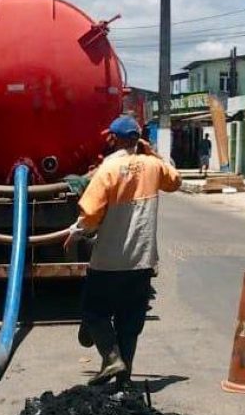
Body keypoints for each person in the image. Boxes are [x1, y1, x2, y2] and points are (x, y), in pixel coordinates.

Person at [65, 115, 181, 386]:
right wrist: (153, 154)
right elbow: (175, 181)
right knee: (129, 323)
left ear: (114, 139)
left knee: (94, 312)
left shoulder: (107, 169)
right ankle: (123, 382)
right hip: (142, 262)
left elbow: (91, 215)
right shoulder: (154, 167)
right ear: (138, 139)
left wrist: (76, 232)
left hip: (108, 261)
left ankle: (111, 357)